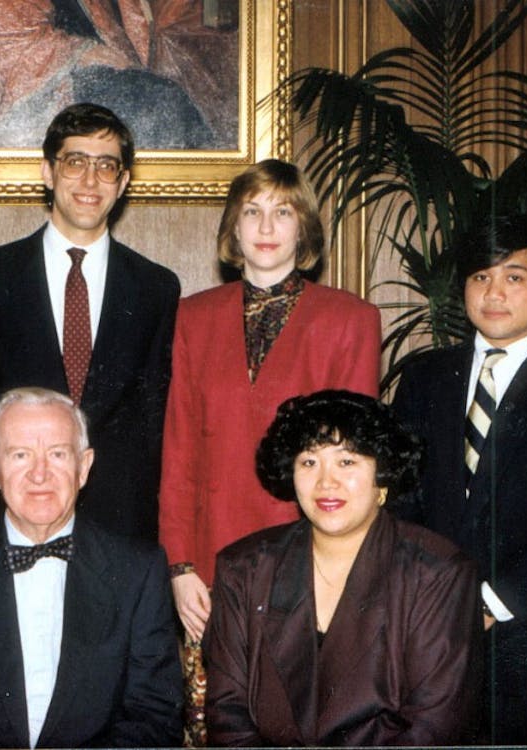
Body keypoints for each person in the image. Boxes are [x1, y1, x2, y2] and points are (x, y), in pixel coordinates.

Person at [160, 158, 381, 642]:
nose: (265, 227)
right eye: (251, 211)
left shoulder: (351, 320)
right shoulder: (192, 318)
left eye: (282, 213)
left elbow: (351, 467)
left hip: (308, 557)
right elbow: (178, 452)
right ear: (232, 229)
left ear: (303, 228)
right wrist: (179, 566)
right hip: (209, 561)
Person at [0, 387, 183, 748]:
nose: (40, 474)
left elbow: (156, 717)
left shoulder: (138, 570)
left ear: (84, 466)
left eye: (58, 454)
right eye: (20, 455)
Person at [205, 390, 481, 746]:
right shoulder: (243, 568)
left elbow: (434, 725)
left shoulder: (439, 574)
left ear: (382, 477)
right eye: (309, 462)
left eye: (347, 462)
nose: (326, 482)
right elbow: (228, 716)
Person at [0, 103, 180, 541]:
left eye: (106, 166)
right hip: (15, 513)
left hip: (120, 524)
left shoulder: (156, 287)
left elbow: (155, 424)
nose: (90, 181)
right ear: (48, 171)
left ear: (124, 183)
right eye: (75, 162)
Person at [391, 214, 527, 743]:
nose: (494, 293)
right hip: (430, 641)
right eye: (480, 277)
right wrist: (435, 604)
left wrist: (488, 605)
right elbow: (401, 499)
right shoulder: (424, 375)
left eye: (514, 277)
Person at [0, 0, 237, 149]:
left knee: (165, 100)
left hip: (88, 84)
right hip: (40, 95)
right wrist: (81, 52)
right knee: (160, 102)